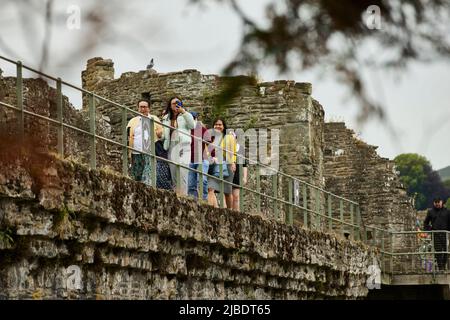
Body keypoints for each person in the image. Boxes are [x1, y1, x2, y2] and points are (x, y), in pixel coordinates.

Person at [161, 97, 196, 195]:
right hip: (171, 146)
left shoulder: (185, 115)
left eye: (178, 103)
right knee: (174, 173)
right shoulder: (166, 118)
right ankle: (176, 195)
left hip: (184, 146)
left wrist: (184, 112)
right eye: (173, 103)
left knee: (183, 172)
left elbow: (192, 126)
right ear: (170, 105)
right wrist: (160, 135)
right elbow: (165, 134)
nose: (175, 105)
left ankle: (183, 197)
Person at [126, 99, 161, 186]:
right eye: (141, 107)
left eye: (145, 107)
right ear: (138, 108)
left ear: (149, 108)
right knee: (136, 175)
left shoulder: (154, 119)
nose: (143, 109)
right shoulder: (133, 121)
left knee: (148, 175)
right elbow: (128, 133)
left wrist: (159, 133)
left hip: (149, 151)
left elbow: (161, 132)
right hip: (136, 151)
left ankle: (148, 192)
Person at [206, 118, 236, 208]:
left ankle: (229, 211)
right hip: (215, 164)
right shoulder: (211, 137)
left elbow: (232, 151)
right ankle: (215, 210)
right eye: (216, 124)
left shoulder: (229, 137)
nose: (218, 126)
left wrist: (233, 162)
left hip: (227, 163)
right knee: (210, 187)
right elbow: (207, 149)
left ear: (223, 126)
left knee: (227, 191)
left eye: (220, 124)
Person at [423, 197, 450, 271]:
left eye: (438, 202)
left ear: (442, 202)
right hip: (435, 234)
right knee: (438, 251)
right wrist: (430, 230)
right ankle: (441, 268)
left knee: (445, 251)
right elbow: (425, 223)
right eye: (436, 202)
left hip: (445, 234)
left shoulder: (447, 212)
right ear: (434, 203)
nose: (437, 204)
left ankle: (443, 266)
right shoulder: (430, 212)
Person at [187, 112, 209, 200]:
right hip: (189, 160)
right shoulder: (185, 129)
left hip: (202, 159)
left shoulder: (202, 129)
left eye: (193, 118)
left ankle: (204, 201)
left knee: (202, 180)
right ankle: (193, 203)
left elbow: (210, 143)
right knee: (191, 184)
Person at [231, 132, 248, 211]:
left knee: (236, 196)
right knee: (228, 195)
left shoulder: (240, 149)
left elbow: (244, 165)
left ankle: (236, 213)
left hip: (237, 175)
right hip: (227, 173)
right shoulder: (225, 148)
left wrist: (245, 177)